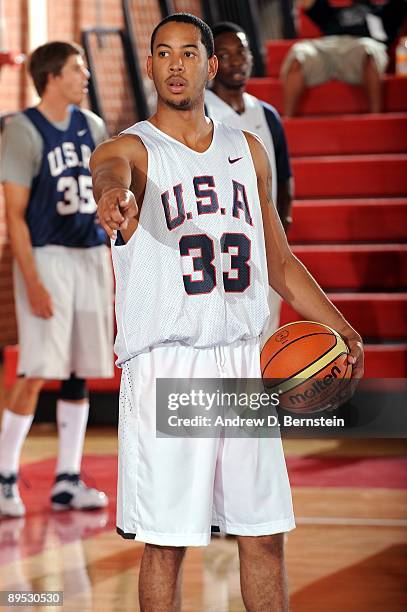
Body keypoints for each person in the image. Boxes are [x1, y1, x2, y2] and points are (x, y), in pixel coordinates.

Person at [91, 13, 364, 612]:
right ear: (151, 65)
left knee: (264, 534)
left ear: (210, 66)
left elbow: (281, 262)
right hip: (169, 364)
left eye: (189, 53)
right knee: (167, 543)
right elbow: (108, 174)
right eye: (163, 53)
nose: (175, 65)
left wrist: (340, 324)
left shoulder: (248, 150)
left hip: (240, 362)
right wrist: (114, 196)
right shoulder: (132, 148)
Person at [0, 42, 114, 518]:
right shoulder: (23, 131)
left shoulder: (94, 127)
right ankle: (5, 474)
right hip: (47, 257)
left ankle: (67, 479)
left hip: (89, 254)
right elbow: (15, 215)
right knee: (37, 368)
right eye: (76, 68)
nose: (84, 75)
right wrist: (33, 280)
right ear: (51, 76)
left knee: (78, 368)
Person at [205, 21, 293, 338]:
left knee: (266, 334)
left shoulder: (266, 113)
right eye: (225, 54)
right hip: (216, 245)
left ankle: (261, 390)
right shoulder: (198, 113)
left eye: (241, 51)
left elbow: (284, 176)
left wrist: (281, 223)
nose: (237, 60)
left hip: (262, 238)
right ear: (211, 63)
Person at [281, 0, 407, 116]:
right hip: (328, 46)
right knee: (299, 52)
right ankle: (286, 121)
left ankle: (376, 117)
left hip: (362, 46)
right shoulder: (333, 12)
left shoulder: (384, 12)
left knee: (369, 51)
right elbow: (306, 2)